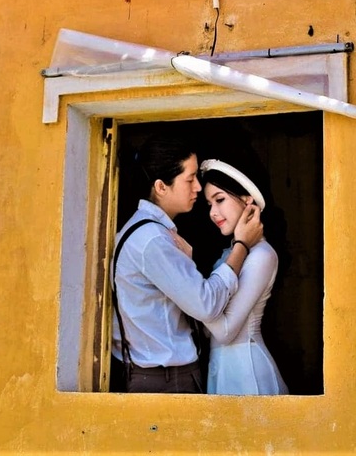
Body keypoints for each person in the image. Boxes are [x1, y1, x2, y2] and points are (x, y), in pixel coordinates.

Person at [111, 135, 263, 394]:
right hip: (164, 380)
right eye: (190, 179)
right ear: (161, 187)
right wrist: (242, 246)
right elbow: (206, 305)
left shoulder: (146, 232)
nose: (197, 187)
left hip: (155, 374)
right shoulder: (153, 240)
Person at [200, 157, 288, 395]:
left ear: (248, 200)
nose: (213, 212)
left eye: (219, 200)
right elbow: (209, 330)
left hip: (248, 372)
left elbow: (225, 331)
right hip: (222, 368)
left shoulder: (262, 255)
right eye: (209, 204)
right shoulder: (230, 254)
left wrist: (191, 292)